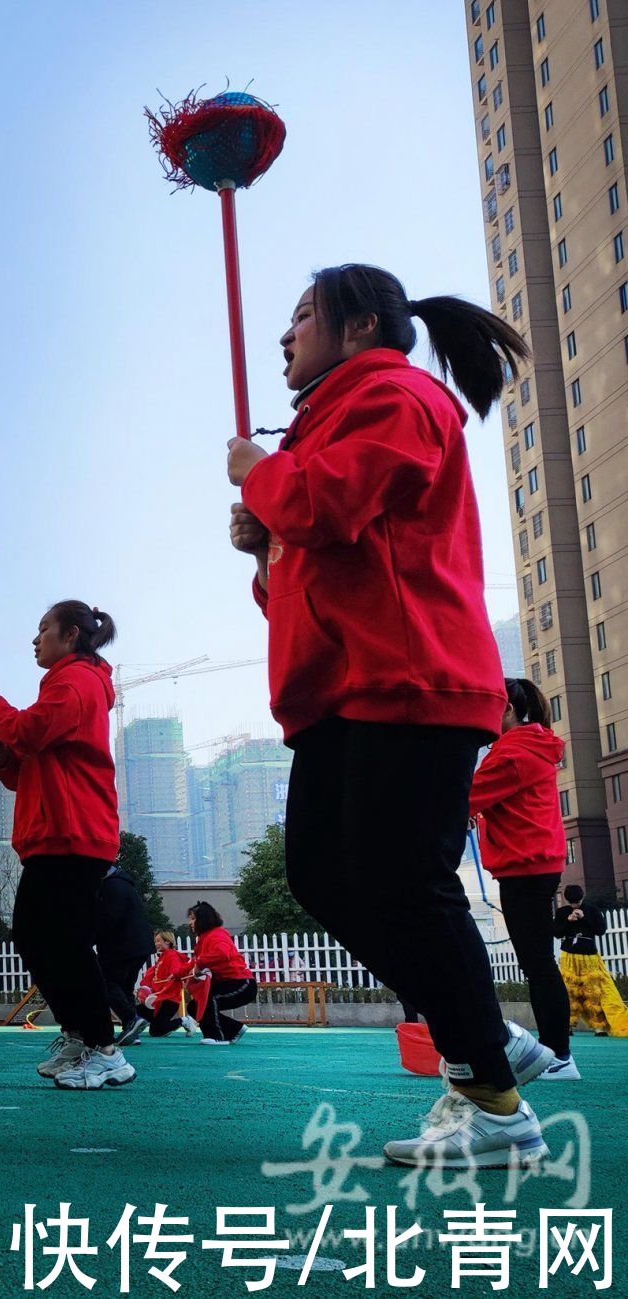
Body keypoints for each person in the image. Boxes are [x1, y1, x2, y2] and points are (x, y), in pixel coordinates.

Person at [227, 265, 557, 1167]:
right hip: (345, 690)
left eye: (302, 316)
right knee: (323, 874)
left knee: (400, 882)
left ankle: (492, 1099)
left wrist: (266, 482)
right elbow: (308, 573)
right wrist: (268, 540)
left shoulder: (397, 396)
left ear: (363, 325)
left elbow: (324, 504)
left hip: (410, 679)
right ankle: (481, 1030)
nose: (285, 336)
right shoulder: (329, 421)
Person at [0, 601, 132, 1092]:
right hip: (58, 832)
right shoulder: (66, 684)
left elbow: (32, 729)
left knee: (61, 940)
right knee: (35, 934)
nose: (35, 638)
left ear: (70, 635)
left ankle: (103, 1047)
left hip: (74, 832)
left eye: (43, 628)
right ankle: (80, 1034)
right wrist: (4, 759)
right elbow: (31, 763)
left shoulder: (78, 682)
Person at [470, 678, 580, 1080]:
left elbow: (467, 795)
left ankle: (559, 1056)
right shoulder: (531, 747)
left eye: (490, 710)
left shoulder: (511, 755)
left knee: (537, 965)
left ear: (510, 711)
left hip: (525, 865)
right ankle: (558, 1053)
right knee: (538, 963)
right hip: (533, 862)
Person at [96, 863, 156, 1048]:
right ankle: (131, 1030)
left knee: (107, 983)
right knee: (125, 987)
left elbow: (108, 918)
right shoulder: (124, 884)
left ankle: (131, 1019)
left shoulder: (111, 886)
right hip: (139, 945)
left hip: (121, 945)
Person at [557, 885, 628, 1038]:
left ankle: (599, 1027)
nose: (575, 905)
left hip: (589, 955)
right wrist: (568, 921)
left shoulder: (592, 910)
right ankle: (567, 1025)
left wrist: (584, 917)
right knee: (568, 991)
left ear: (582, 898)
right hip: (568, 955)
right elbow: (557, 933)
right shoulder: (562, 912)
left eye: (577, 902)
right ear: (567, 900)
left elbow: (600, 930)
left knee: (593, 991)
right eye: (572, 903)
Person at [185, 903, 257, 1043]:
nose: (190, 923)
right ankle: (234, 1029)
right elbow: (193, 964)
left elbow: (222, 953)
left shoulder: (217, 934)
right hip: (229, 983)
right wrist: (175, 975)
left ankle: (216, 1036)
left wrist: (199, 964)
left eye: (193, 918)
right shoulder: (204, 939)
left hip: (241, 983)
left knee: (211, 997)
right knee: (194, 1006)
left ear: (203, 919)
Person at [137, 931, 199, 1038]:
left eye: (158, 941)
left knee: (156, 1031)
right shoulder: (162, 958)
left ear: (167, 941)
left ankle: (185, 1021)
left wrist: (173, 976)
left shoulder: (171, 955)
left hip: (169, 1000)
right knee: (136, 1012)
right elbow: (151, 975)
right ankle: (161, 1025)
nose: (156, 944)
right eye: (155, 941)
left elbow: (176, 971)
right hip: (158, 999)